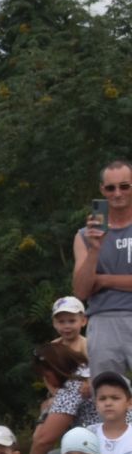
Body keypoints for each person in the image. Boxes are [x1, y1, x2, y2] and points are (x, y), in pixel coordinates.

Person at [72, 159, 132, 378]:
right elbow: (81, 291)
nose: (117, 193)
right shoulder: (83, 237)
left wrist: (104, 280)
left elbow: (94, 284)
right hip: (102, 320)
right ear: (102, 190)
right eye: (110, 188)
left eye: (124, 186)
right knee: (107, 398)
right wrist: (95, 249)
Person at [21, 341, 98, 454]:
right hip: (116, 439)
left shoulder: (72, 389)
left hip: (98, 447)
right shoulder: (88, 374)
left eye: (45, 375)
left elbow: (43, 440)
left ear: (53, 370)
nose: (45, 380)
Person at [51, 295, 90, 363]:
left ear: (83, 321)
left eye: (72, 321)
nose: (67, 326)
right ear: (54, 324)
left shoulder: (86, 345)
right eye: (61, 322)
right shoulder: (54, 345)